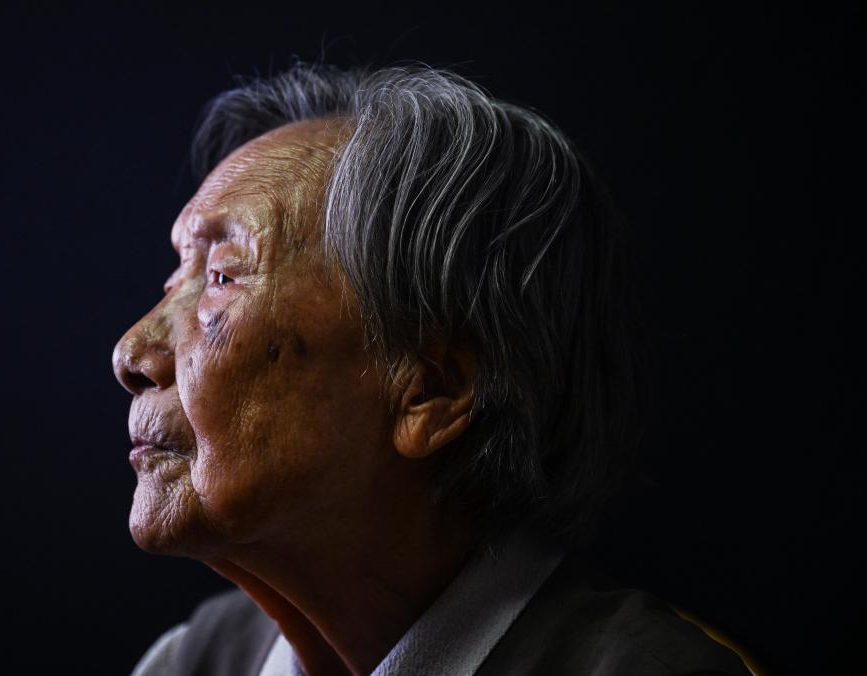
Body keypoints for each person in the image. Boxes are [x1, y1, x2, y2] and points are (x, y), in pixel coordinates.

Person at [112, 64, 751, 676]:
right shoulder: (196, 660)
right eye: (175, 282)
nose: (131, 355)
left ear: (431, 388)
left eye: (222, 277)